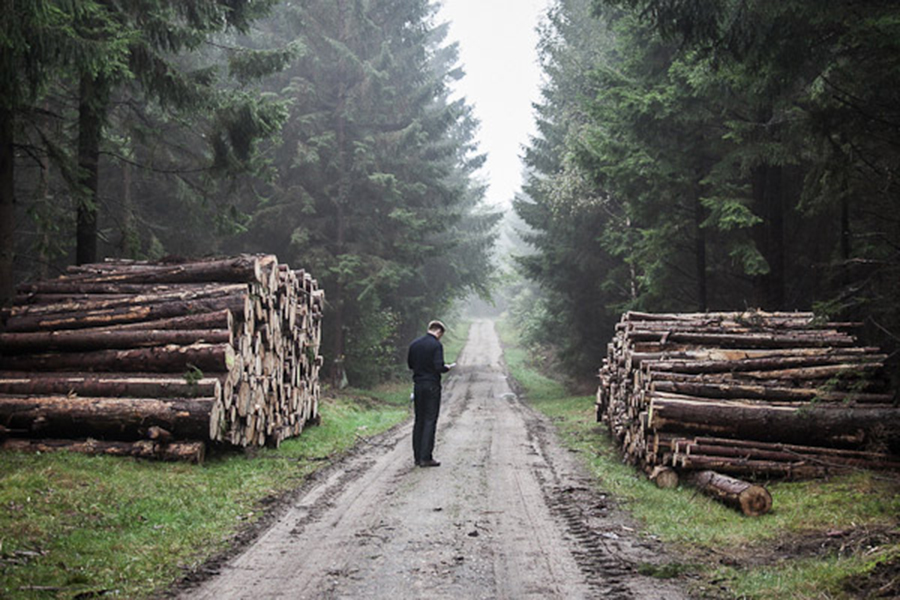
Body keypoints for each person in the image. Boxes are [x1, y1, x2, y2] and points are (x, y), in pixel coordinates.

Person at [407, 320, 455, 467]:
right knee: (430, 420)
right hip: (432, 386)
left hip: (418, 385)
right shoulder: (436, 345)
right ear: (439, 332)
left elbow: (410, 365)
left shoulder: (414, 344)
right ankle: (426, 457)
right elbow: (438, 366)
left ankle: (416, 457)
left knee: (419, 420)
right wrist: (447, 367)